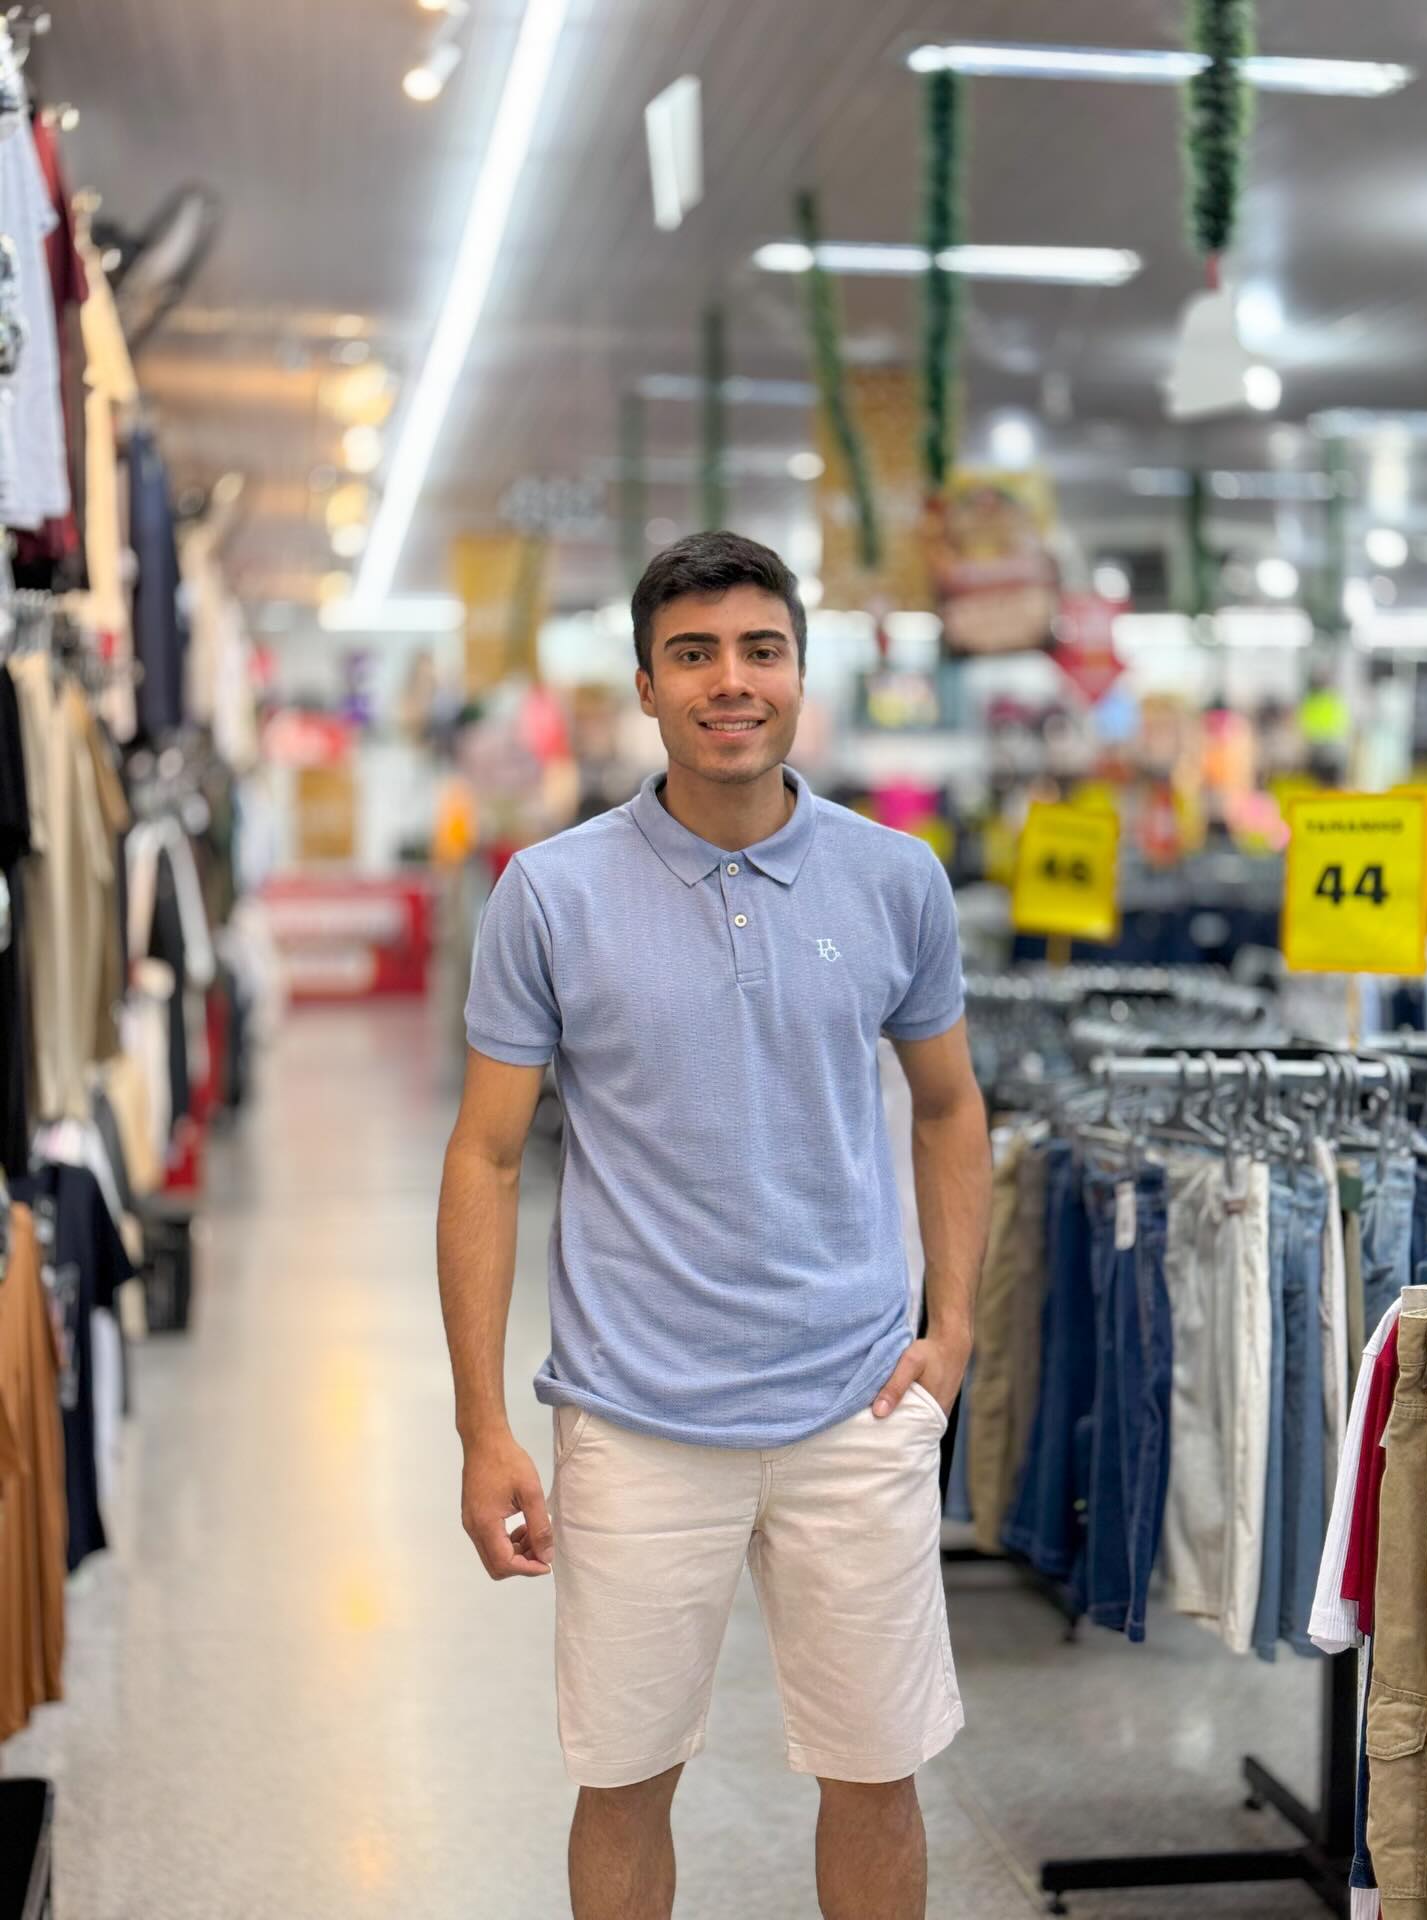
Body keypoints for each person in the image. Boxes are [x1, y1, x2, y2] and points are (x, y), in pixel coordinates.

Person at [437, 531, 993, 1920]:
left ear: (800, 673)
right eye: (694, 654)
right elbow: (487, 1156)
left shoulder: (895, 880)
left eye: (760, 650)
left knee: (876, 1771)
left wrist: (954, 1330)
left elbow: (949, 1106)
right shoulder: (549, 894)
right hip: (634, 1414)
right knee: (624, 1778)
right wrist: (482, 1426)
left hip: (854, 1404)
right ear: (645, 686)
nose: (729, 681)